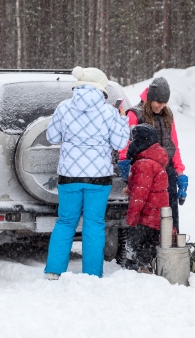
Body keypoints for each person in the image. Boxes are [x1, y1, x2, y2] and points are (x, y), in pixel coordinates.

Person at [44, 66, 130, 279]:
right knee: (94, 224)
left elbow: (52, 137)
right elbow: (120, 144)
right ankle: (92, 273)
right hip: (98, 178)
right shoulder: (108, 111)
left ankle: (54, 271)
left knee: (65, 222)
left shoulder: (64, 107)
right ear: (101, 88)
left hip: (69, 176)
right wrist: (121, 119)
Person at [120, 77, 188, 232]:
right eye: (158, 102)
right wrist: (125, 162)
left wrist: (180, 173)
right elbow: (125, 142)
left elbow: (174, 145)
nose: (161, 106)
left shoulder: (167, 114)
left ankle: (171, 249)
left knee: (170, 217)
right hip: (146, 174)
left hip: (167, 173)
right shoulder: (135, 114)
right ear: (150, 98)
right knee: (149, 219)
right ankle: (149, 251)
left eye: (165, 103)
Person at [123, 124, 170, 273]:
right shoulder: (155, 161)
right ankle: (146, 269)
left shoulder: (144, 164)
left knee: (132, 245)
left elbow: (139, 196)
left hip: (145, 216)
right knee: (147, 248)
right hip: (156, 216)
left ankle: (137, 272)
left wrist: (132, 219)